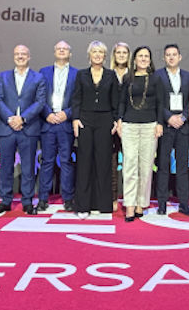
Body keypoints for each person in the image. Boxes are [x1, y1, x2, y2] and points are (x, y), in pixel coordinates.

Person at [0, 45, 46, 215]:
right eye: (17, 54)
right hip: (6, 127)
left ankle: (27, 201)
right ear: (13, 56)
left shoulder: (38, 78)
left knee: (28, 167)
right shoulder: (3, 76)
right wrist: (10, 118)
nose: (20, 56)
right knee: (5, 166)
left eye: (23, 54)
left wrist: (22, 119)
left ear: (29, 57)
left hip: (28, 128)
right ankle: (5, 200)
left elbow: (40, 102)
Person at [71, 41, 120, 218]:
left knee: (103, 162)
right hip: (85, 120)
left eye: (100, 52)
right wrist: (75, 119)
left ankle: (103, 204)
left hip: (105, 121)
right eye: (94, 51)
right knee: (84, 162)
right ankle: (83, 205)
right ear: (89, 55)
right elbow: (76, 98)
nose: (97, 55)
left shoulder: (111, 75)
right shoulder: (81, 74)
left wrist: (116, 120)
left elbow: (116, 100)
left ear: (105, 56)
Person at [118, 46, 164, 222]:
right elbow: (122, 102)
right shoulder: (127, 78)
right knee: (129, 166)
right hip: (129, 126)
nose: (143, 59)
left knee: (145, 168)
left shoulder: (156, 79)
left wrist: (160, 123)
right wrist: (119, 120)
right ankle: (130, 205)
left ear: (150, 60)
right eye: (140, 56)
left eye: (146, 56)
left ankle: (140, 204)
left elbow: (161, 103)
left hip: (149, 127)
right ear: (134, 59)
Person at [154, 44, 189, 216]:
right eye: (168, 55)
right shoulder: (157, 75)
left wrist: (183, 117)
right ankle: (162, 204)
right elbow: (156, 101)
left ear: (180, 57)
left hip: (183, 127)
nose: (171, 57)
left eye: (174, 54)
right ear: (164, 58)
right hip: (165, 126)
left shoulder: (188, 76)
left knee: (183, 167)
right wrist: (169, 117)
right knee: (163, 166)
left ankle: (184, 204)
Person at [38, 41, 78, 212]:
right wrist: (47, 113)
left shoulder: (77, 74)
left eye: (65, 49)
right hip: (48, 122)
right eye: (59, 49)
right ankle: (43, 198)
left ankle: (68, 198)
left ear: (70, 53)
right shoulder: (43, 72)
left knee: (66, 162)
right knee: (47, 161)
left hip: (65, 123)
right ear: (54, 52)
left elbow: (79, 100)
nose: (62, 51)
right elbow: (39, 96)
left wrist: (67, 113)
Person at [110, 42, 131, 211]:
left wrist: (123, 121)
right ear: (114, 55)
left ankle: (130, 198)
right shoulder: (108, 74)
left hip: (130, 124)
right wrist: (115, 121)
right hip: (111, 125)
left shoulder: (134, 75)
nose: (122, 55)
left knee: (130, 165)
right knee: (111, 164)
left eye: (124, 52)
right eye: (119, 52)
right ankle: (112, 198)